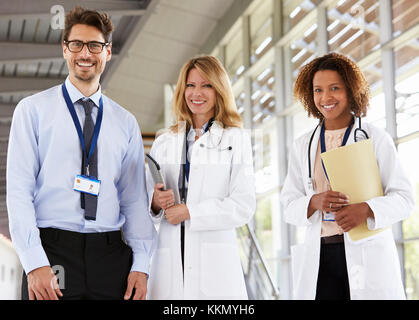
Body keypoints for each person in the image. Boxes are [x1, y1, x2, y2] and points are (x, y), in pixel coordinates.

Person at [6, 7, 156, 300]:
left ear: (108, 52)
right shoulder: (33, 110)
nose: (85, 53)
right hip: (52, 252)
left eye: (95, 45)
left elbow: (134, 200)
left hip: (112, 256)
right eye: (76, 44)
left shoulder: (125, 122)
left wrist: (141, 264)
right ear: (65, 49)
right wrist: (35, 261)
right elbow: (19, 191)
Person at [280, 52, 414, 300]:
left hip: (365, 253)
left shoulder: (374, 138)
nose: (325, 97)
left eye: (334, 88)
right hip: (320, 258)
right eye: (318, 90)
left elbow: (405, 199)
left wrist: (367, 209)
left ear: (351, 91)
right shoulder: (303, 146)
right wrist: (313, 202)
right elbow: (288, 205)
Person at [145, 55, 256, 299]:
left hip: (214, 265)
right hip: (169, 260)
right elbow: (145, 204)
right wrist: (156, 201)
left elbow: (243, 206)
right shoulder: (164, 141)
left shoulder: (235, 139)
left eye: (206, 85)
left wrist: (190, 211)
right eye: (191, 85)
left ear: (219, 90)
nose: (197, 93)